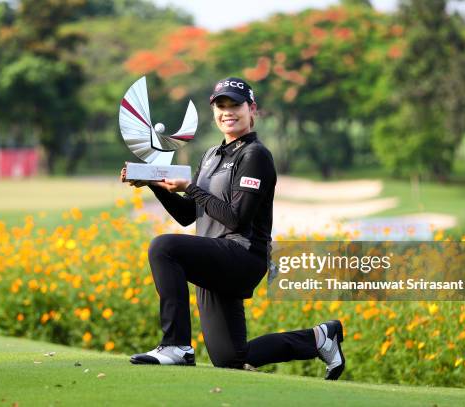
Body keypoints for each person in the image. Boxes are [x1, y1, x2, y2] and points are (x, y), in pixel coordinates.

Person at [120, 77, 345, 380]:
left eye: (235, 105)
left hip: (242, 255)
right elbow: (189, 215)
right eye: (221, 106)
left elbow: (237, 219)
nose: (227, 112)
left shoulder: (256, 156)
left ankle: (175, 346)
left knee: (163, 247)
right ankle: (319, 338)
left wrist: (191, 188)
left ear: (252, 109)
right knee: (230, 359)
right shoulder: (211, 156)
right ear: (214, 112)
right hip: (214, 257)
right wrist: (154, 185)